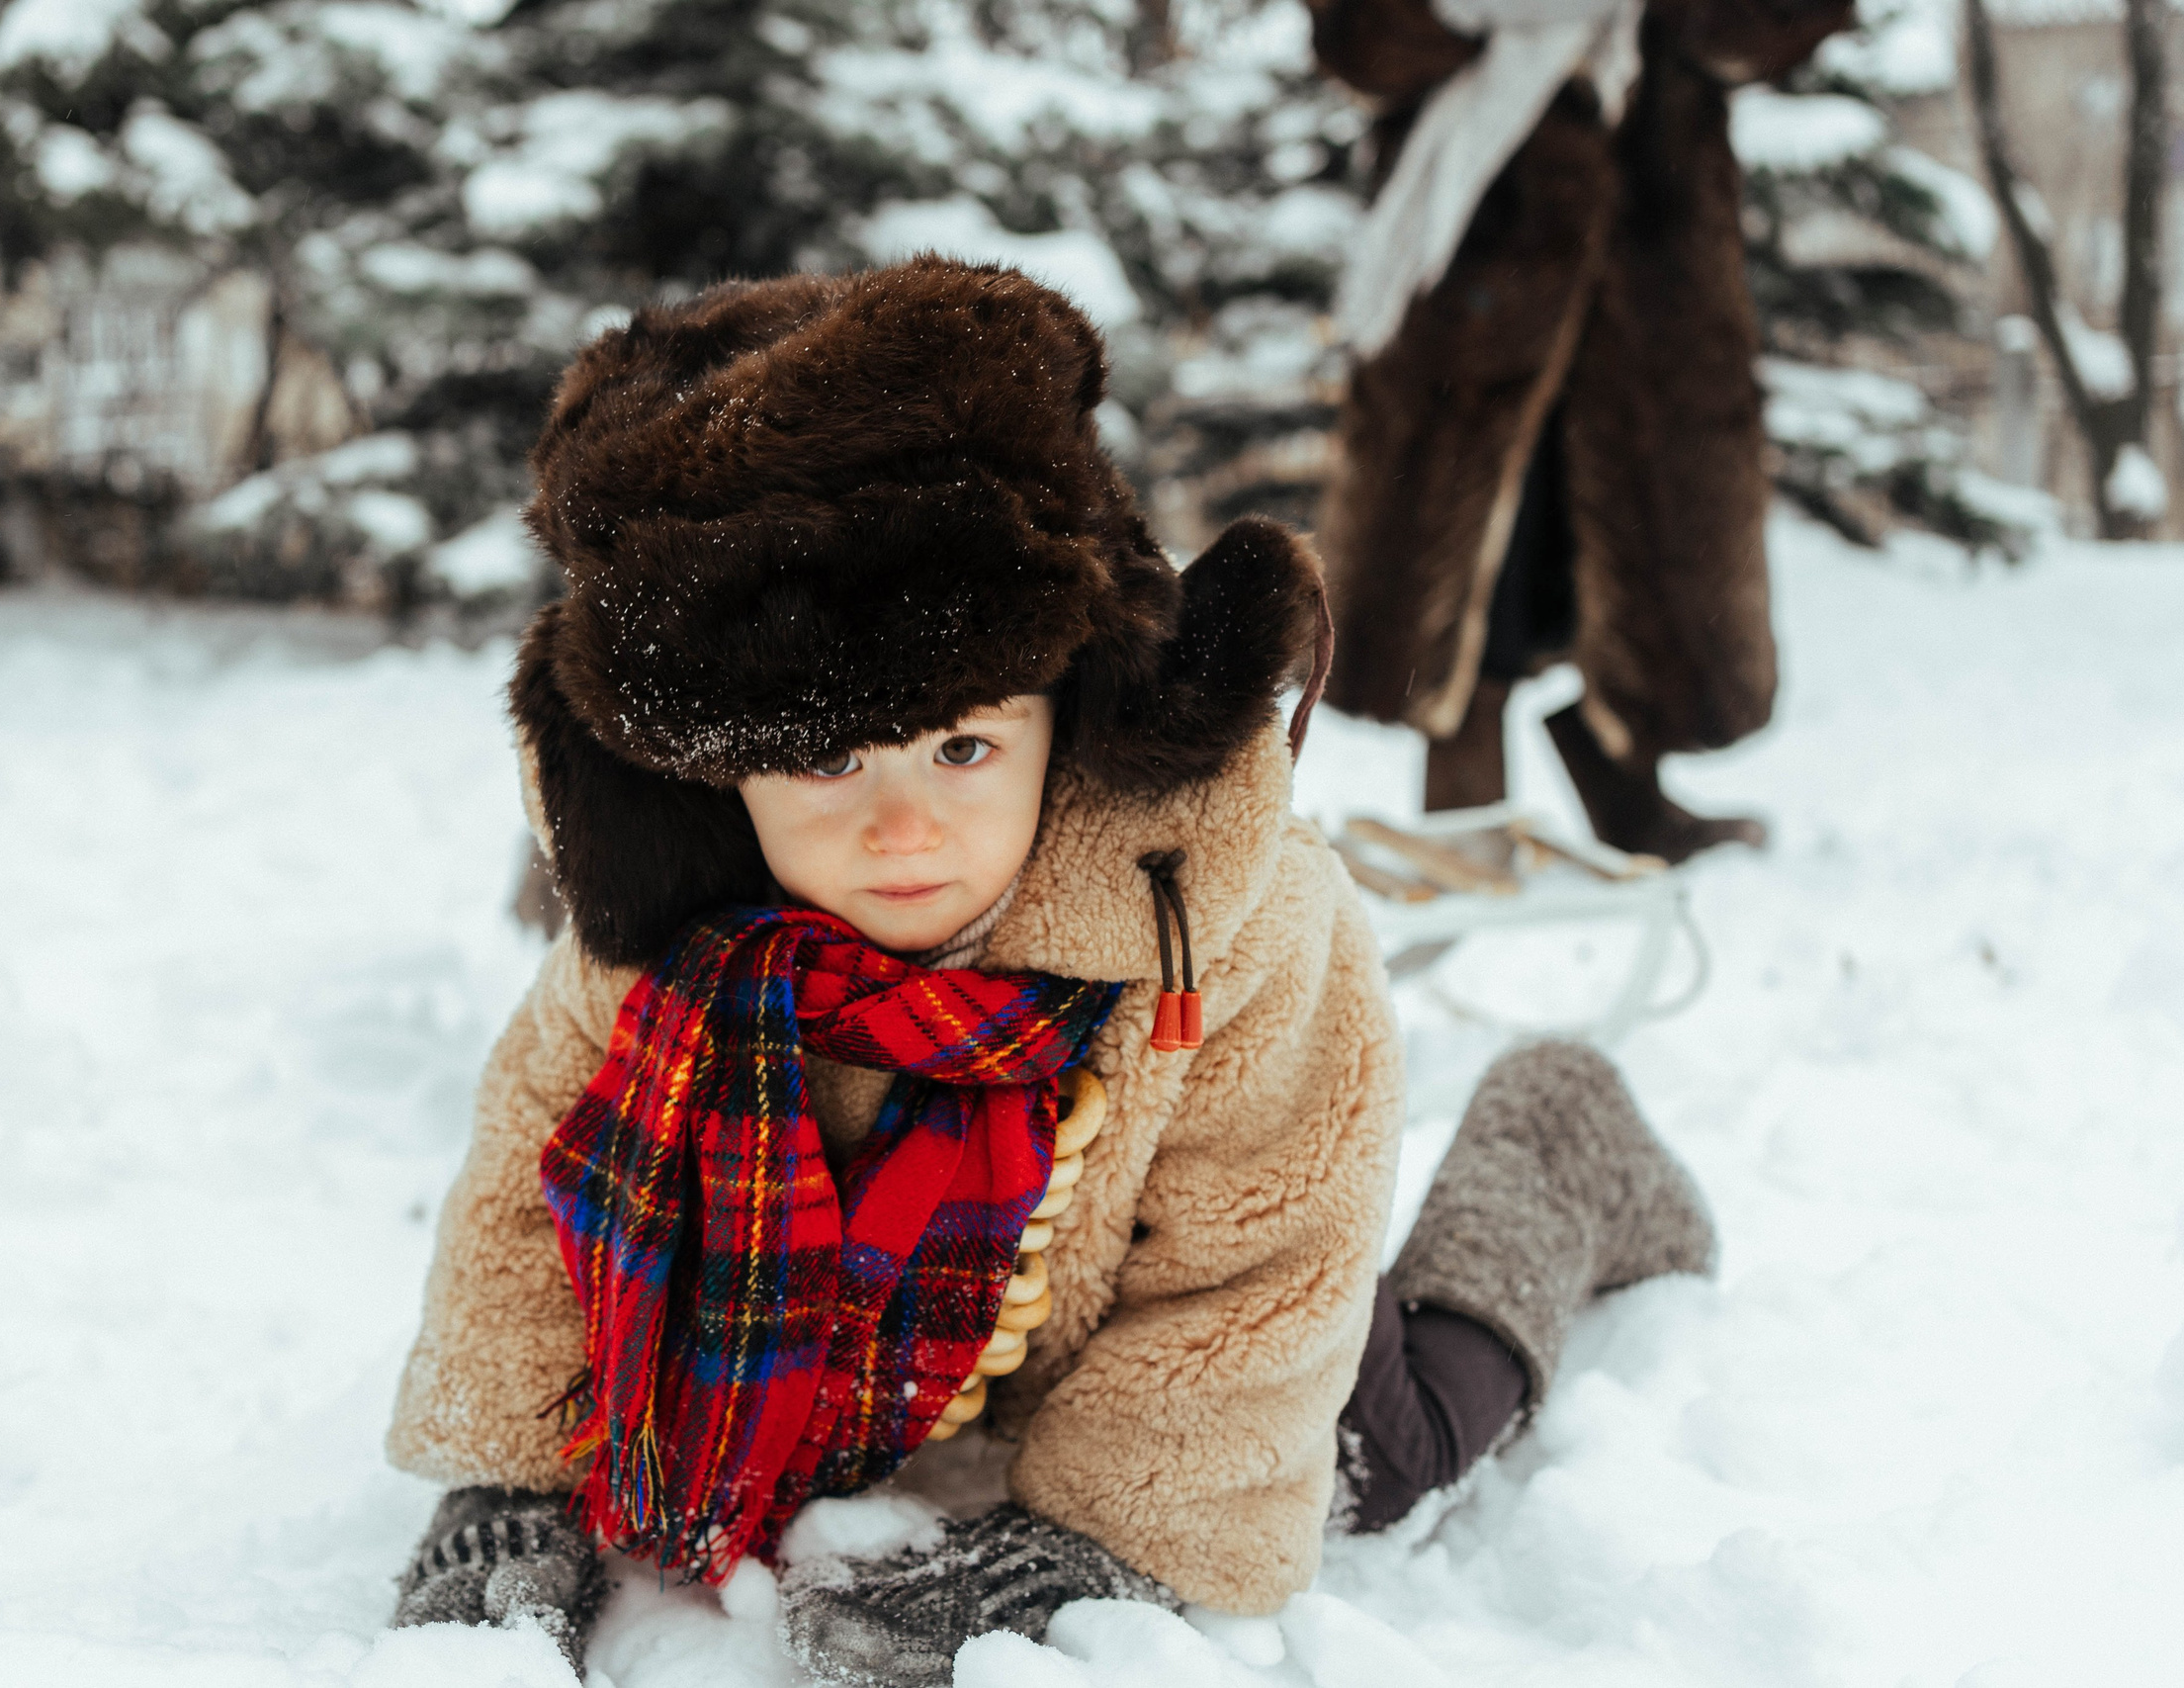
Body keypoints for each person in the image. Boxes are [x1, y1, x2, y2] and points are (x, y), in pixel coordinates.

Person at [380, 259, 1715, 1684]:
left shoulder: (1221, 916)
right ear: (718, 773)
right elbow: (537, 1186)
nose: (904, 828)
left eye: (964, 747)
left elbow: (1260, 1250)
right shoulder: (678, 930)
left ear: (1060, 710)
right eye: (826, 761)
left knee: (1377, 1456)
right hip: (891, 1353)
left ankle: (1556, 1142)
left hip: (1177, 1307)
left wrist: (1109, 1532)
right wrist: (510, 1477)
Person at [1303, 0, 1854, 861]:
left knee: (1645, 535)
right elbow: (1362, 41)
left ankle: (1623, 776)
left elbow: (1764, 29)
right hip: (1472, 268)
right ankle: (1463, 805)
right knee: (1476, 540)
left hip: (1650, 259)